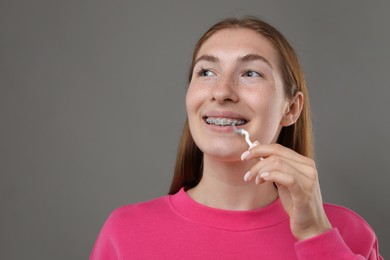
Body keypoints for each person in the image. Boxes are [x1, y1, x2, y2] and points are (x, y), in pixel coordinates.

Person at [90, 16, 382, 259]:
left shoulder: (349, 233)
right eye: (206, 72)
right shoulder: (125, 233)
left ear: (291, 108)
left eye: (251, 73)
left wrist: (316, 235)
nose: (222, 91)